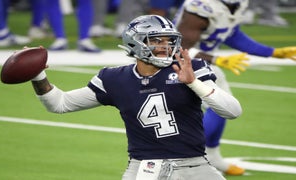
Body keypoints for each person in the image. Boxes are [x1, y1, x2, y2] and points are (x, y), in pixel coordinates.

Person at [29, 15, 243, 179]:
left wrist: (193, 82)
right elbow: (59, 103)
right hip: (145, 168)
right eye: (157, 40)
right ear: (136, 43)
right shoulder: (114, 78)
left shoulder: (189, 68)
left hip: (195, 166)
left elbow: (233, 111)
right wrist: (38, 74)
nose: (165, 46)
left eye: (170, 41)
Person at [174, 0, 296, 175]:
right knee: (217, 106)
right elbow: (178, 48)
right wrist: (216, 59)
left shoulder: (235, 4)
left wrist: (271, 52)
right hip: (177, 63)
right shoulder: (200, 7)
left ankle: (209, 157)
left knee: (220, 106)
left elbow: (230, 34)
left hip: (200, 63)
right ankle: (192, 161)